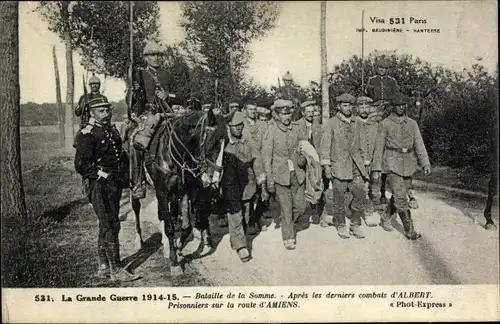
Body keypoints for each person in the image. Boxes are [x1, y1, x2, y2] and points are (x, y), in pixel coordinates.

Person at [74, 96, 139, 282]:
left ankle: (103, 265)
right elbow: (81, 165)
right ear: (91, 113)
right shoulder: (88, 133)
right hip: (99, 185)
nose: (106, 114)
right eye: (101, 111)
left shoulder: (109, 130)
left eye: (107, 110)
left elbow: (119, 157)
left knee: (106, 222)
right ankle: (116, 270)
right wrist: (101, 174)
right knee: (111, 223)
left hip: (113, 184)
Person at [372, 93, 431, 240]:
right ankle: (410, 230)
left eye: (403, 105)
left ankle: (385, 216)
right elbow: (379, 147)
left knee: (400, 195)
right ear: (393, 106)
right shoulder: (384, 124)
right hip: (391, 163)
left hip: (408, 163)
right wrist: (376, 169)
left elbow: (419, 143)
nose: (400, 107)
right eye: (397, 105)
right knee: (400, 197)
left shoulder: (412, 123)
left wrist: (425, 162)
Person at [127, 39, 174, 200]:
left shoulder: (167, 74)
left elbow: (181, 95)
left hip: (168, 114)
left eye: (159, 55)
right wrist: (134, 93)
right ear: (146, 57)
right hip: (147, 115)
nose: (156, 58)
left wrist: (168, 96)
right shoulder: (139, 74)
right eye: (152, 55)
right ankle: (138, 182)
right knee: (136, 143)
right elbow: (131, 99)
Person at [319, 93, 369, 239]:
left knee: (360, 192)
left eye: (350, 105)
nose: (348, 108)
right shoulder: (331, 123)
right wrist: (327, 166)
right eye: (345, 105)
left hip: (356, 166)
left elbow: (362, 145)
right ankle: (341, 224)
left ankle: (354, 223)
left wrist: (365, 163)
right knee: (339, 197)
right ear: (339, 106)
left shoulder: (357, 123)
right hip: (339, 165)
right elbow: (325, 146)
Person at [221, 111, 268, 262]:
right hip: (230, 186)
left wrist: (262, 184)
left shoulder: (249, 143)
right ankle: (241, 246)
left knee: (246, 216)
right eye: (234, 127)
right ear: (229, 127)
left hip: (248, 185)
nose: (238, 129)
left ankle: (237, 239)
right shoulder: (223, 145)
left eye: (240, 126)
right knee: (235, 215)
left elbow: (258, 163)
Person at [262, 99, 308, 250]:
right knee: (286, 207)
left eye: (288, 114)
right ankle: (288, 236)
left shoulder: (297, 129)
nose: (287, 117)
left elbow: (305, 147)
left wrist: (302, 157)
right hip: (280, 174)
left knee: (300, 206)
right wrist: (269, 178)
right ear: (276, 115)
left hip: (297, 172)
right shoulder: (271, 131)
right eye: (283, 114)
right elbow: (267, 157)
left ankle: (287, 222)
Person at [364, 57, 400, 204]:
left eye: (384, 68)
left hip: (389, 107)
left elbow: (396, 95)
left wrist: (389, 103)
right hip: (375, 108)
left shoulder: (392, 81)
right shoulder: (371, 80)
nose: (382, 70)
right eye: (379, 68)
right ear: (376, 68)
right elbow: (367, 96)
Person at [355, 96, 382, 227]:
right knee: (361, 189)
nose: (364, 110)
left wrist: (376, 167)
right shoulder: (353, 124)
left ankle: (371, 210)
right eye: (362, 107)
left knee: (374, 188)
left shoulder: (375, 125)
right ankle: (365, 213)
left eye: (367, 107)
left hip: (372, 162)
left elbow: (378, 147)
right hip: (357, 164)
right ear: (357, 108)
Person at [242, 102, 268, 232]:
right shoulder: (241, 125)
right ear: (245, 110)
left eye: (254, 109)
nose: (253, 111)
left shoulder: (262, 125)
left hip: (261, 162)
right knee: (249, 193)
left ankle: (258, 217)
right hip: (246, 163)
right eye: (250, 109)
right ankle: (249, 221)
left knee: (263, 192)